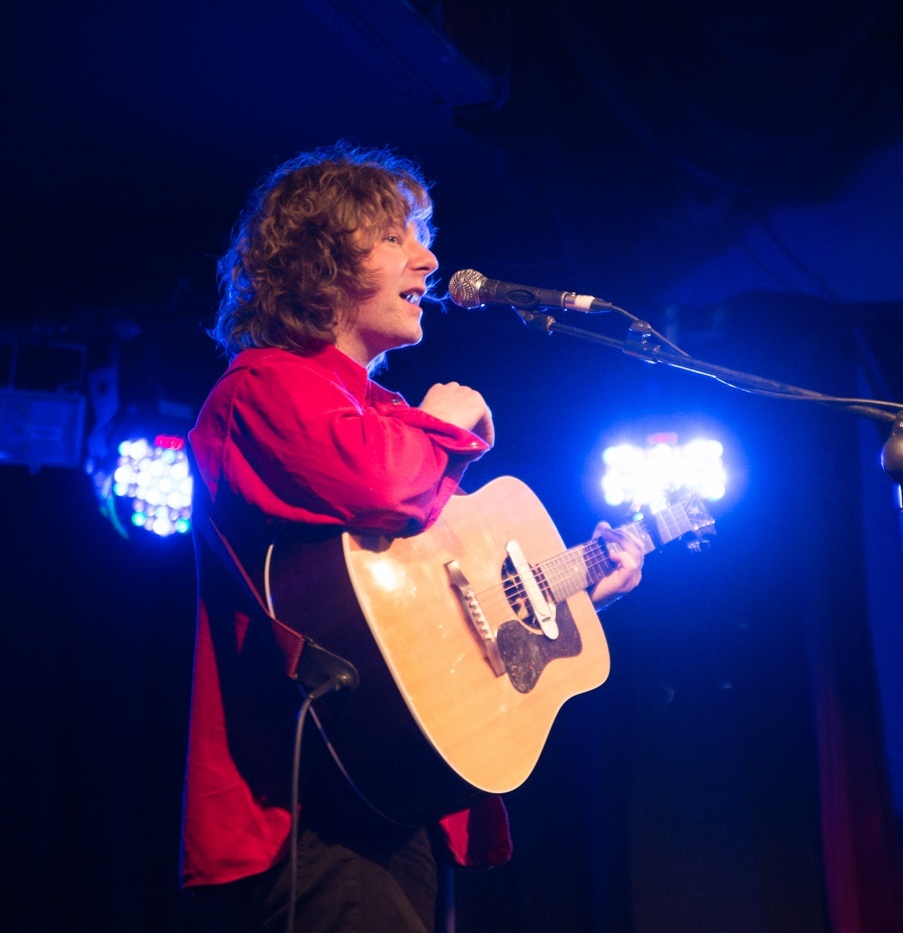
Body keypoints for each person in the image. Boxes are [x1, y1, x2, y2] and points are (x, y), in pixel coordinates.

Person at [181, 142, 646, 932]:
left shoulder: (385, 418)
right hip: (308, 808)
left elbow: (423, 612)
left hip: (392, 793)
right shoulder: (263, 386)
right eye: (397, 236)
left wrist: (567, 593)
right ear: (318, 260)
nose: (428, 260)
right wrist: (446, 419)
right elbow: (381, 487)